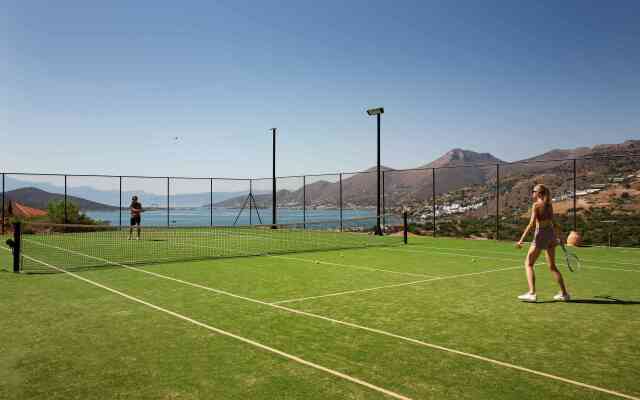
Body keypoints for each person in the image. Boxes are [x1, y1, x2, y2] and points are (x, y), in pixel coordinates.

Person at [516, 184, 570, 302]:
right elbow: (554, 223)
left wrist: (521, 240)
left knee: (528, 264)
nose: (532, 193)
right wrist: (561, 237)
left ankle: (532, 293)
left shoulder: (536, 205)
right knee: (552, 266)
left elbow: (531, 225)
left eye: (533, 191)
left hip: (540, 235)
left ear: (539, 193)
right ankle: (564, 294)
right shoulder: (549, 205)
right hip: (551, 235)